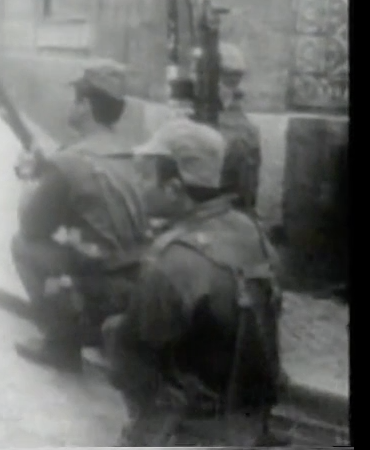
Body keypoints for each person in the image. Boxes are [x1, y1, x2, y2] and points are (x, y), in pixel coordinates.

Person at [102, 118, 284, 447]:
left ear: (173, 189)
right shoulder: (252, 232)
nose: (138, 185)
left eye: (145, 175)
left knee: (116, 334)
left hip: (192, 428)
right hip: (249, 415)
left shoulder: (169, 260)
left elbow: (132, 361)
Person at [11, 61, 151, 373]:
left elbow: (32, 225)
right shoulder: (130, 153)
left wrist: (29, 181)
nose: (71, 105)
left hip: (100, 289)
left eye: (76, 98)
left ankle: (61, 344)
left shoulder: (70, 160)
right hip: (138, 284)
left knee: (23, 245)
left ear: (86, 106)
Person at [216, 43, 262, 214]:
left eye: (233, 78)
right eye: (228, 77)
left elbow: (247, 189)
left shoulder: (245, 130)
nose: (230, 83)